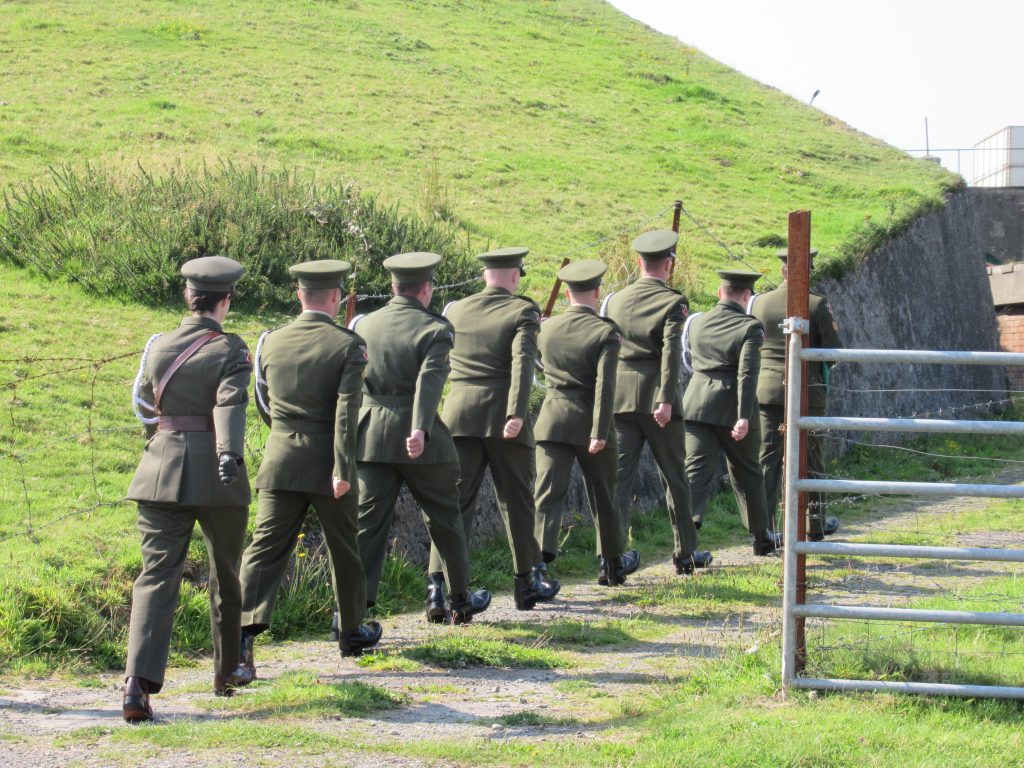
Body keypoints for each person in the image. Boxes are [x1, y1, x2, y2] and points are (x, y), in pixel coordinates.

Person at [123, 256, 254, 723]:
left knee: (156, 576)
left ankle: (137, 686)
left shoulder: (157, 346)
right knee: (226, 571)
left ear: (189, 297)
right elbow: (231, 404)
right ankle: (226, 670)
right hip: (217, 474)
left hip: (159, 468)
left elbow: (144, 405)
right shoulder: (232, 351)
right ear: (226, 301)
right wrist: (227, 453)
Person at [238, 260, 382, 673]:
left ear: (299, 296)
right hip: (328, 463)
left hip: (280, 457)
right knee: (345, 547)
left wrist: (285, 436)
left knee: (265, 546)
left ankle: (242, 635)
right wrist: (341, 467)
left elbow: (264, 401)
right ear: (336, 297)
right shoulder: (348, 346)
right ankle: (351, 630)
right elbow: (345, 413)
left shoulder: (272, 342)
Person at [353, 252, 491, 624]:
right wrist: (420, 427)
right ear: (427, 288)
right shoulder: (436, 329)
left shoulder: (365, 326)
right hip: (420, 440)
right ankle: (461, 598)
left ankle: (351, 612)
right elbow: (430, 381)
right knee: (446, 516)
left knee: (368, 525)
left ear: (393, 286)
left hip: (371, 437)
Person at [434, 247, 559, 615]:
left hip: (458, 414)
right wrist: (517, 412)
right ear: (515, 275)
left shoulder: (455, 310)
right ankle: (526, 581)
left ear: (485, 275)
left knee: (452, 505)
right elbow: (523, 365)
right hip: (503, 415)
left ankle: (438, 589)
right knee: (517, 501)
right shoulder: (522, 310)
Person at [602, 229, 712, 576]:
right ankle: (685, 553)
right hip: (656, 399)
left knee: (617, 481)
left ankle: (610, 559)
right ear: (668, 265)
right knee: (676, 478)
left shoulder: (614, 301)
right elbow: (670, 355)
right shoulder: (673, 302)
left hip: (620, 399)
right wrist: (665, 398)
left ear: (638, 262)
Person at [534, 260, 631, 586]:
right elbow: (606, 386)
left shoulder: (546, 328)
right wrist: (600, 432)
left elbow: (539, 364)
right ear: (597, 291)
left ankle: (537, 566)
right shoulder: (606, 332)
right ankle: (610, 565)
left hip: (552, 420)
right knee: (604, 493)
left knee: (547, 496)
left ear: (568, 294)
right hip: (591, 420)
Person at [682, 270, 779, 556]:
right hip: (733, 407)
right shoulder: (750, 328)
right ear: (747, 296)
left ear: (719, 292)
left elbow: (688, 360)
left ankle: (685, 546)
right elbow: (748, 373)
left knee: (695, 475)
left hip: (697, 404)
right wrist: (744, 416)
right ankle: (761, 536)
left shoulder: (696, 323)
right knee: (748, 471)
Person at [748, 248, 843, 540]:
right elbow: (833, 352)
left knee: (767, 460)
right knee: (812, 459)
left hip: (766, 390)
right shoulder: (816, 304)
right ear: (809, 271)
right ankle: (815, 525)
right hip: (806, 390)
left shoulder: (759, 303)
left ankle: (762, 531)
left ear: (782, 272)